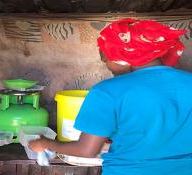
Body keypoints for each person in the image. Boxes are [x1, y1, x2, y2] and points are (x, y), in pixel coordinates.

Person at [29, 18, 192, 175]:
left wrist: (46, 143)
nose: (107, 65)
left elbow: (86, 150)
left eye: (105, 57)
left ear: (123, 57)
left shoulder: (108, 91)